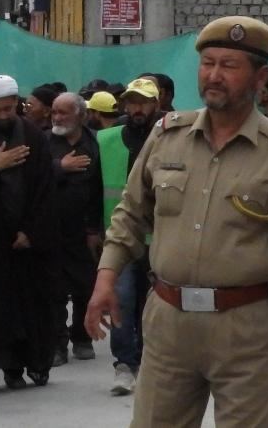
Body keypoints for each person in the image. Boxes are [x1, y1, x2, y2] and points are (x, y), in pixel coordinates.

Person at [86, 16, 268, 427]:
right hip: (168, 323)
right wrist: (105, 279)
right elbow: (130, 216)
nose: (214, 76)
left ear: (259, 77)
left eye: (229, 65)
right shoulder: (166, 136)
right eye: (208, 63)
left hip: (247, 330)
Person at [0, 74, 57, 396]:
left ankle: (18, 369)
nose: (4, 116)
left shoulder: (34, 136)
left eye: (9, 109)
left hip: (25, 242)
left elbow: (46, 190)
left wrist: (30, 231)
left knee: (26, 306)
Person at [98, 78, 161, 397]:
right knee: (121, 300)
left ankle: (152, 363)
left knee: (154, 305)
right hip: (120, 239)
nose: (137, 108)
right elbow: (95, 190)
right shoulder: (105, 140)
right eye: (132, 102)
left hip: (161, 240)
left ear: (155, 105)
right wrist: (91, 230)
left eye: (144, 102)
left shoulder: (170, 140)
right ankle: (124, 365)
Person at [47, 92, 102, 367]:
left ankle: (82, 337)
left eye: (63, 113)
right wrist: (60, 166)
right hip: (52, 229)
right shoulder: (45, 142)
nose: (57, 117)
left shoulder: (94, 143)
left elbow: (98, 189)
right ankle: (57, 344)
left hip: (82, 231)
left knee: (84, 286)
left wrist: (95, 229)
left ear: (80, 115)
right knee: (54, 289)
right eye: (54, 112)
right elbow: (35, 177)